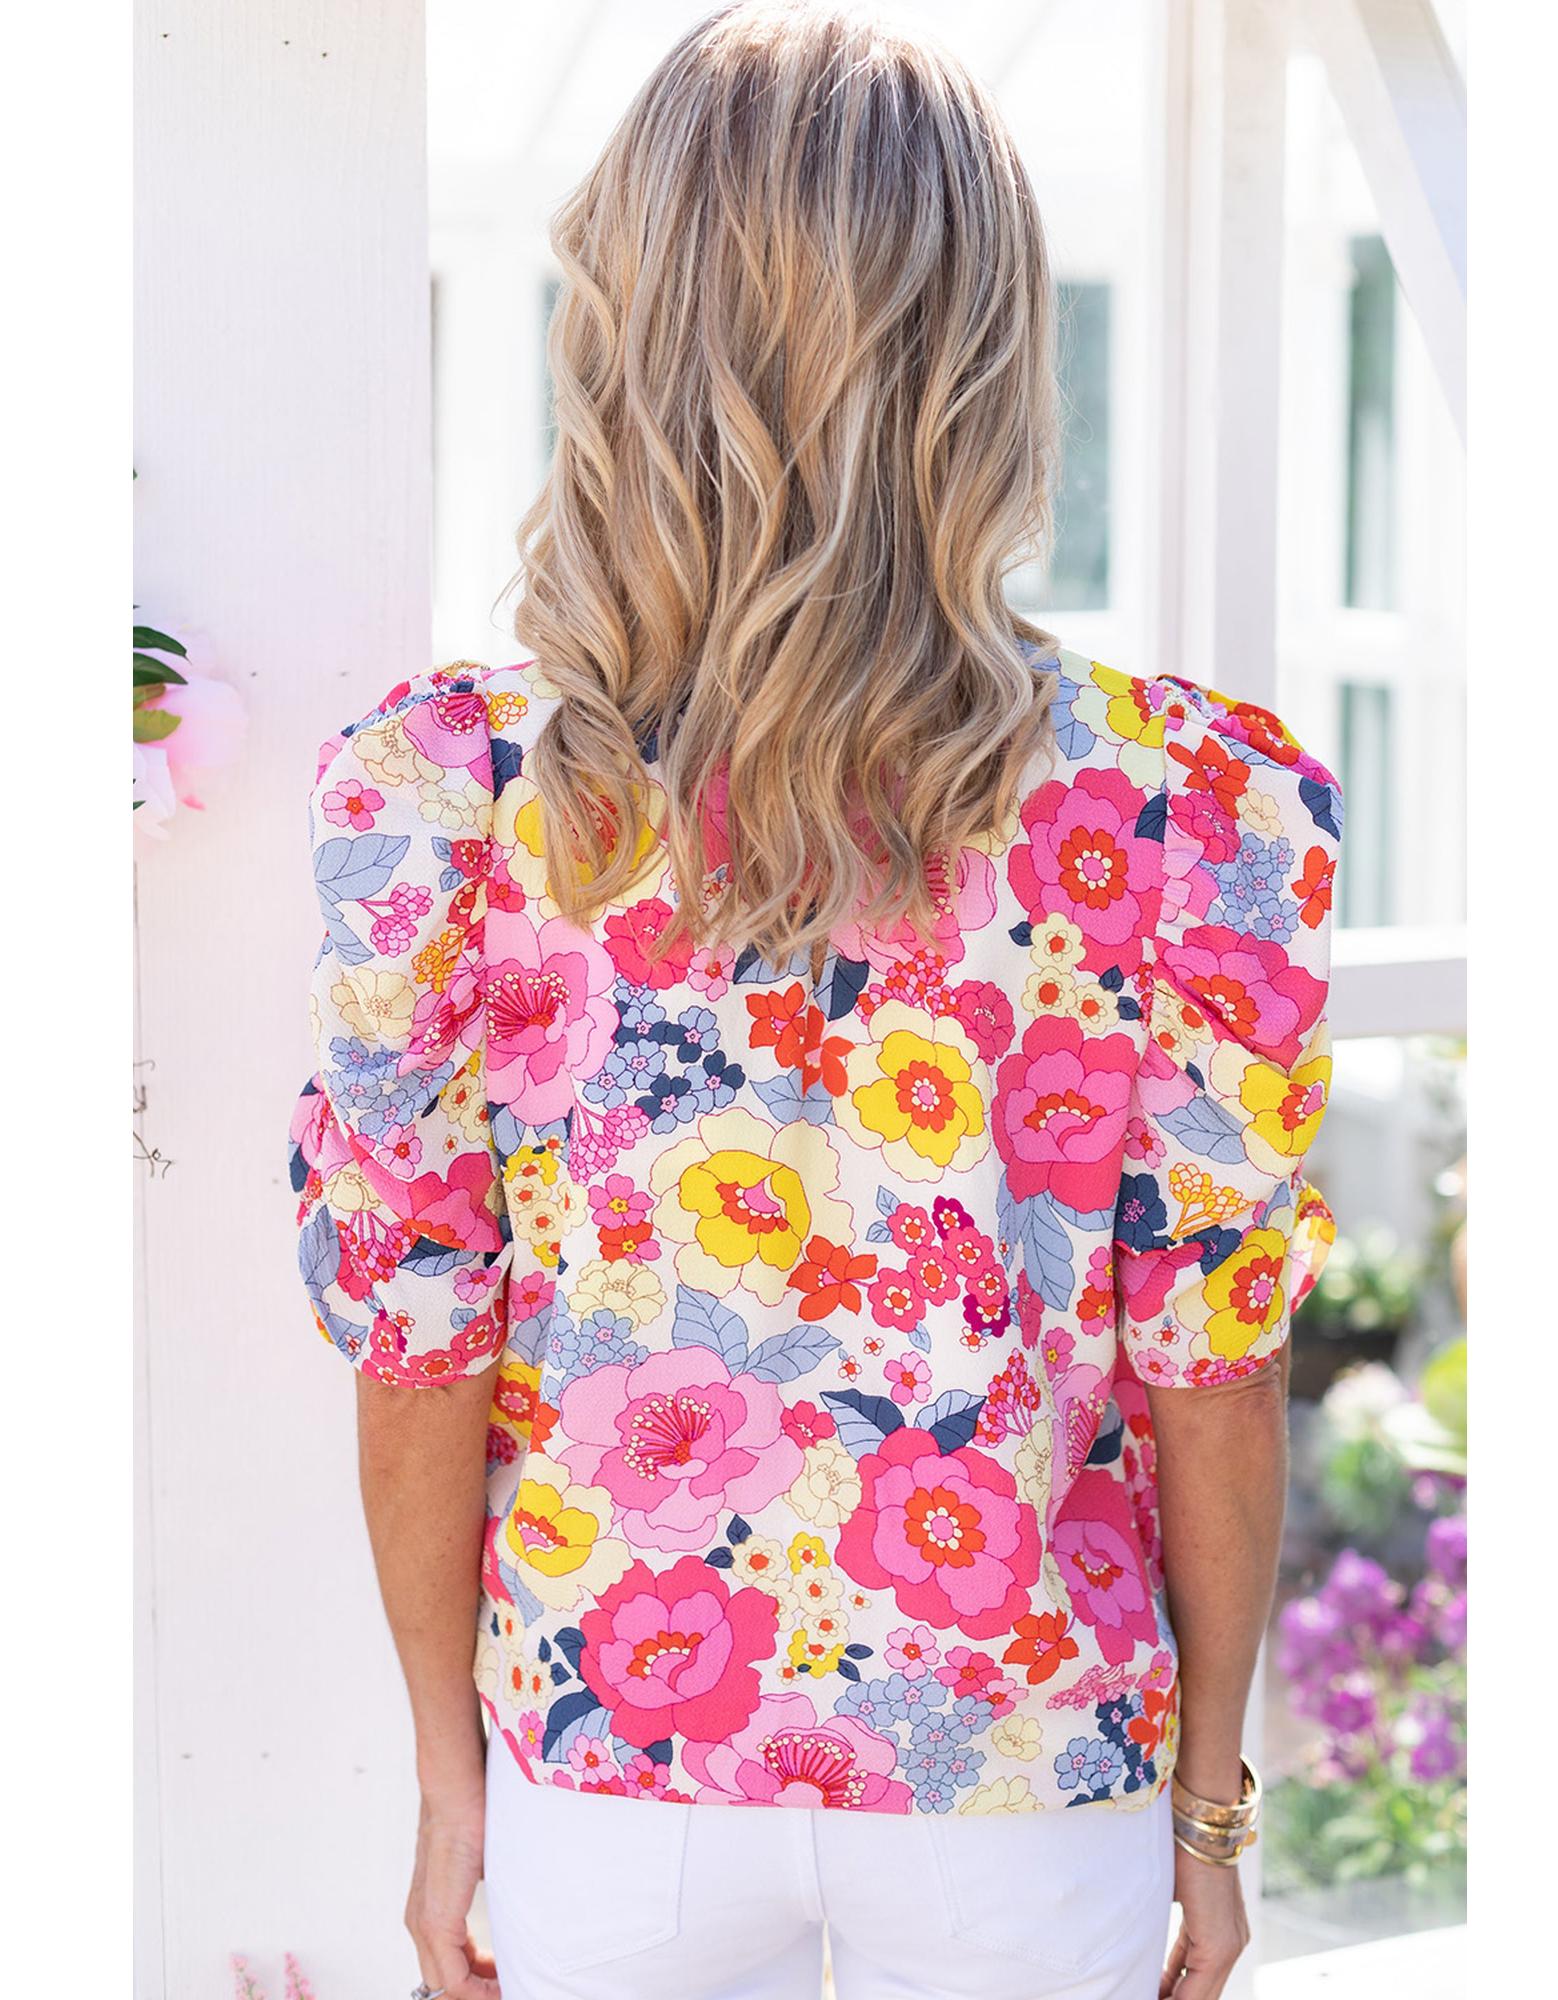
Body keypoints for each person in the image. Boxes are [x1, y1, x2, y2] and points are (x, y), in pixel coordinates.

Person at [287, 5, 1342, 1996]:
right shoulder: (1191, 805)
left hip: (611, 1767)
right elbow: (1211, 1356)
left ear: (622, 324)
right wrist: (1208, 1805)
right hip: (1029, 1771)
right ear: (985, 352)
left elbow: (421, 1337)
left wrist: (447, 1778)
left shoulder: (445, 797)